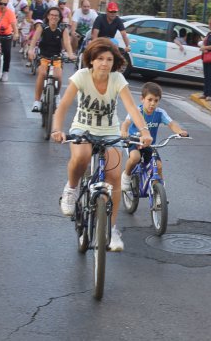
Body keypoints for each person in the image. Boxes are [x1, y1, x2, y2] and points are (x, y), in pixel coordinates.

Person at [51, 38, 153, 252]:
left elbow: (133, 109)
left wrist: (144, 132)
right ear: (91, 60)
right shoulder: (81, 76)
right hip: (83, 128)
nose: (104, 63)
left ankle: (112, 228)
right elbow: (63, 106)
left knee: (114, 176)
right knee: (82, 156)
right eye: (100, 59)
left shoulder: (117, 79)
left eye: (108, 59)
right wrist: (57, 129)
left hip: (110, 131)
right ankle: (71, 189)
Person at [120, 82, 188, 191]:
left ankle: (158, 192)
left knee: (159, 166)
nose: (152, 103)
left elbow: (171, 124)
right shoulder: (137, 111)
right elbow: (126, 123)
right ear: (142, 99)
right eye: (150, 100)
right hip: (135, 142)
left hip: (150, 145)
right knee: (135, 158)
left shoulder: (160, 113)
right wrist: (124, 131)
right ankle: (126, 176)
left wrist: (179, 131)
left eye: (156, 101)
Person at [28, 7, 76, 112]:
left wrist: (70, 54)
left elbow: (67, 43)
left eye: (56, 15)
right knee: (42, 73)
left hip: (57, 57)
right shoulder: (42, 27)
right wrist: (31, 50)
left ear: (59, 18)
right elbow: (34, 39)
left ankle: (57, 95)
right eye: (52, 15)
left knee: (58, 76)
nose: (54, 17)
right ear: (48, 16)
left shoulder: (63, 29)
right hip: (44, 56)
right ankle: (37, 101)